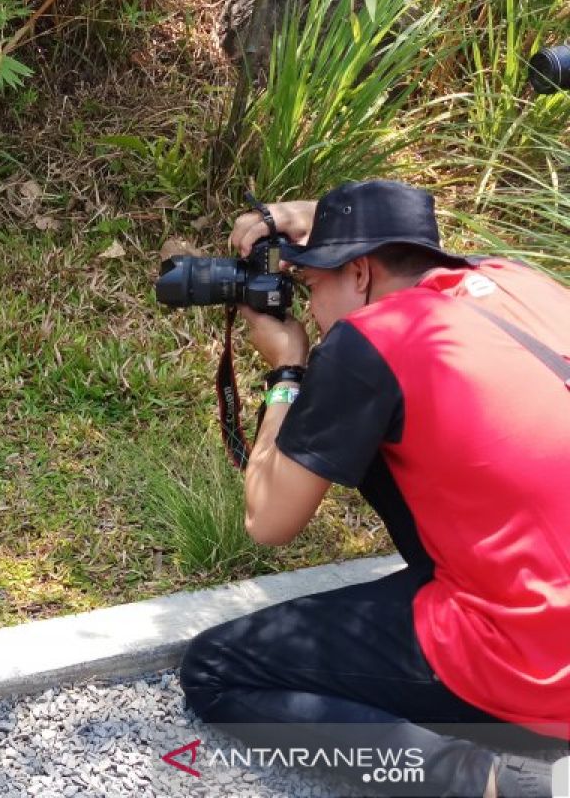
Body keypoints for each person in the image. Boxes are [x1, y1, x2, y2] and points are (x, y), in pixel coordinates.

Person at [178, 180, 570, 798]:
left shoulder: (378, 340)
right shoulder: (522, 281)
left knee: (218, 669)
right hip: (547, 585)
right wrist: (304, 218)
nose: (309, 310)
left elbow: (267, 521)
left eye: (311, 287)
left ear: (359, 273)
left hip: (539, 657)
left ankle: (495, 784)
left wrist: (288, 370)